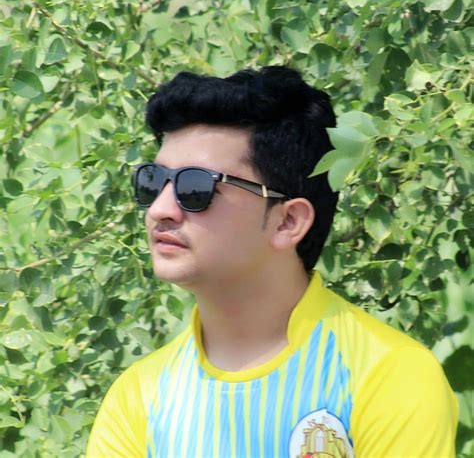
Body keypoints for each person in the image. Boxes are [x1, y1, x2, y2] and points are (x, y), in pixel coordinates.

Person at [87, 66, 458, 457]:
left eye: (195, 187)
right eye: (152, 181)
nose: (160, 210)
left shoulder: (387, 375)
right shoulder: (139, 397)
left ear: (288, 221)